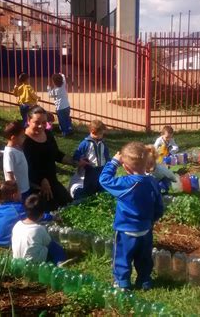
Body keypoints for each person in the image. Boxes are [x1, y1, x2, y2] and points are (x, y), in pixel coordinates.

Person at [99, 142, 164, 291]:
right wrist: (151, 220)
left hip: (125, 230)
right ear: (147, 162)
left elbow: (104, 179)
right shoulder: (153, 182)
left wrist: (114, 162)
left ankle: (122, 284)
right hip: (145, 230)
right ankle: (144, 281)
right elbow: (159, 207)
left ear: (126, 167)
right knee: (144, 258)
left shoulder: (125, 183)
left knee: (122, 258)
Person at [23, 106, 74, 211]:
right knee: (48, 213)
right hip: (34, 186)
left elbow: (56, 154)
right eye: (37, 122)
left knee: (69, 206)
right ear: (28, 120)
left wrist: (75, 162)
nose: (41, 126)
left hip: (52, 181)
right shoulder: (24, 140)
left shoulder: (48, 134)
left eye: (44, 122)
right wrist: (42, 180)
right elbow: (27, 166)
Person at [0, 181, 53, 247]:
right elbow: (35, 215)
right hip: (7, 242)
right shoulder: (19, 208)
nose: (21, 194)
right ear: (14, 195)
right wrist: (52, 217)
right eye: (19, 192)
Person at [11, 194, 66, 265]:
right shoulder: (39, 229)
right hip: (33, 265)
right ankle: (59, 262)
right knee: (55, 248)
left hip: (17, 262)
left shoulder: (17, 225)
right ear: (42, 214)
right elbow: (50, 245)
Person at [69, 120, 110, 200]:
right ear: (93, 132)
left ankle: (100, 195)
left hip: (102, 168)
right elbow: (77, 154)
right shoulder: (85, 143)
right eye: (101, 134)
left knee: (101, 182)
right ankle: (86, 197)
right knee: (89, 184)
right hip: (90, 168)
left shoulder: (103, 143)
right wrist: (79, 159)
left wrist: (108, 163)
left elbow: (106, 154)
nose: (102, 136)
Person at [3, 120, 31, 200]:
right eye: (22, 136)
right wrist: (15, 191)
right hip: (19, 192)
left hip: (25, 188)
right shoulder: (9, 153)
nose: (25, 138)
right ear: (13, 138)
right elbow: (10, 174)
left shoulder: (17, 148)